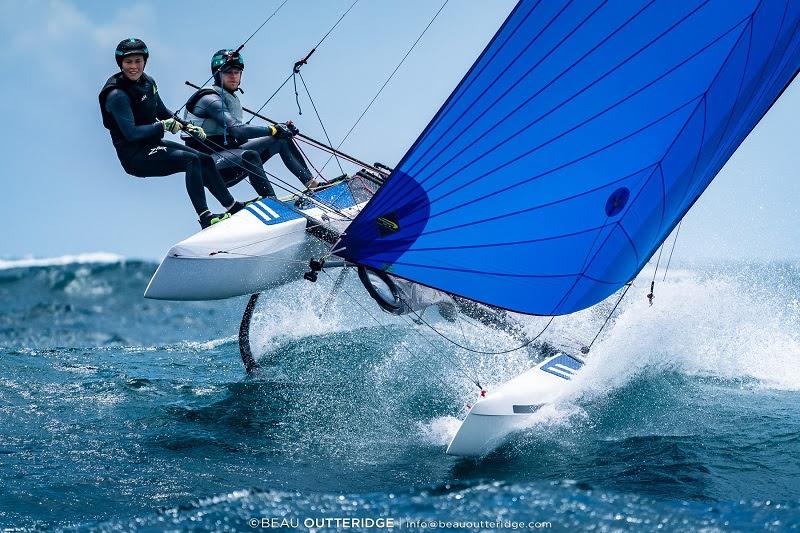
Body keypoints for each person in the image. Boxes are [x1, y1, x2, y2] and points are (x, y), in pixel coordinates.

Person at [99, 38, 246, 229]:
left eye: (138, 61)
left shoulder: (148, 82)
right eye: (128, 62)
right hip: (135, 157)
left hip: (152, 145)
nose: (134, 67)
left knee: (204, 159)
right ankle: (205, 217)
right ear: (121, 63)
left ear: (145, 61)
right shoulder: (116, 94)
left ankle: (232, 206)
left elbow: (162, 111)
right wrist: (164, 127)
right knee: (191, 160)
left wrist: (186, 126)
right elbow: (131, 133)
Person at [183, 49, 319, 198]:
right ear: (217, 74)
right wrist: (273, 129)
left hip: (231, 160)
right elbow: (237, 131)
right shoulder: (209, 99)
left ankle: (313, 186)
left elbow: (242, 141)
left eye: (237, 72)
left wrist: (280, 130)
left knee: (281, 140)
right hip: (210, 167)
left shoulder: (229, 97)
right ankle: (271, 202)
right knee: (251, 154)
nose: (233, 77)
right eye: (228, 72)